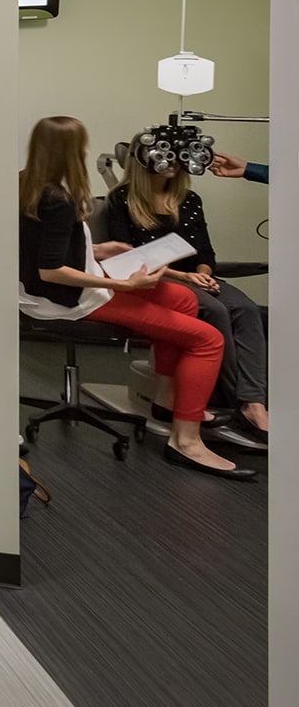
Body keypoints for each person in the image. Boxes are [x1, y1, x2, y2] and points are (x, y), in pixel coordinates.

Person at [17, 117, 249, 480]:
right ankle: (186, 442)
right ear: (70, 151)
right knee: (208, 339)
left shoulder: (26, 182)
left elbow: (43, 249)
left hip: (52, 290)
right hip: (68, 298)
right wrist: (126, 287)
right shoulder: (58, 199)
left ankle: (166, 401)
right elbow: (50, 270)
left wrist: (98, 248)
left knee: (185, 301)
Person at [105, 141, 268, 445]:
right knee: (216, 311)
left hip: (196, 276)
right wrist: (183, 275)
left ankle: (254, 404)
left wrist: (204, 274)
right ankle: (226, 400)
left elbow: (204, 249)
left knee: (246, 308)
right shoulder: (123, 200)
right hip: (157, 277)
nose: (172, 164)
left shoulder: (190, 199)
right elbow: (127, 255)